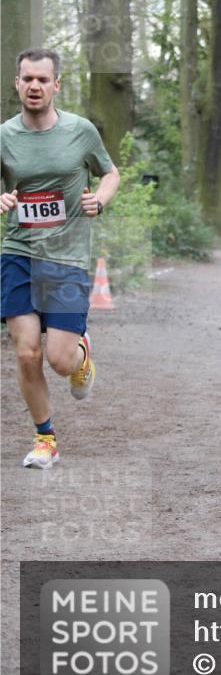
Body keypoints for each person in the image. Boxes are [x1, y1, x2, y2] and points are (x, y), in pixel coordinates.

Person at [0, 48, 120, 469]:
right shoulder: (4, 136)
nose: (35, 86)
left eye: (42, 80)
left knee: (59, 359)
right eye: (27, 79)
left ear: (56, 85)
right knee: (27, 352)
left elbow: (110, 172)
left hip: (67, 256)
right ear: (17, 83)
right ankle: (44, 437)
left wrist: (99, 200)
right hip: (18, 252)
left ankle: (81, 355)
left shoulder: (80, 131)